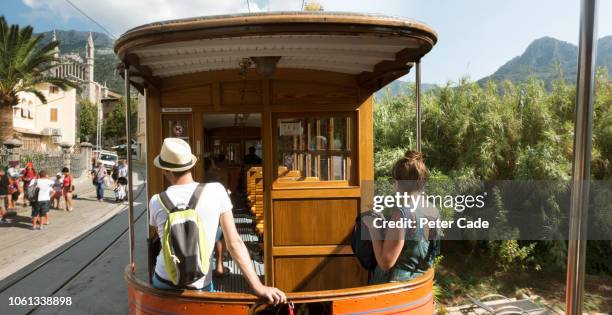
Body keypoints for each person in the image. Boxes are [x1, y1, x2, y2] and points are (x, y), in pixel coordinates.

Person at [149, 138, 286, 304]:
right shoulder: (217, 191)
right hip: (198, 284)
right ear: (191, 165)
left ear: (165, 170)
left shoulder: (156, 201)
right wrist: (258, 287)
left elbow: (161, 237)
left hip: (163, 282)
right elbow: (234, 243)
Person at [366, 150, 440, 284]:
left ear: (397, 183)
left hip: (394, 288)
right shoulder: (432, 209)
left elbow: (385, 262)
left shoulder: (402, 213)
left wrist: (372, 228)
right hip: (418, 283)